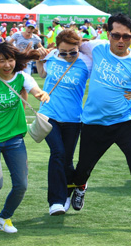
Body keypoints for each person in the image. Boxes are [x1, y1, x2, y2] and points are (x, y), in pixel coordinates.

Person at [70, 13, 131, 230]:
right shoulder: (96, 47)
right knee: (84, 167)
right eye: (116, 35)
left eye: (126, 36)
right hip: (94, 123)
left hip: (126, 121)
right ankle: (80, 186)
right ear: (108, 34)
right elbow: (72, 45)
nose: (121, 41)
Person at [0, 41, 48, 233]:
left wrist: (41, 94)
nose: (7, 65)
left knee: (21, 185)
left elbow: (35, 90)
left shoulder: (22, 77)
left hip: (14, 139)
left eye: (10, 60)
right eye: (2, 61)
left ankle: (4, 218)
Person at [36, 29, 92, 215]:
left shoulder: (87, 61)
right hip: (49, 114)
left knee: (67, 161)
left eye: (72, 52)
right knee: (58, 153)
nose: (68, 55)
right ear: (57, 49)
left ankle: (73, 190)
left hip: (73, 119)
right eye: (64, 52)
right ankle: (56, 202)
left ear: (79, 47)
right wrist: (39, 59)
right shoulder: (51, 55)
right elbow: (43, 74)